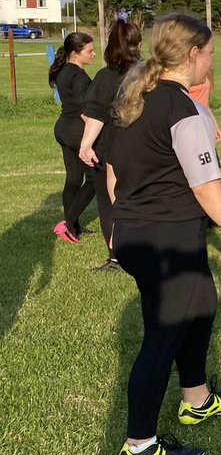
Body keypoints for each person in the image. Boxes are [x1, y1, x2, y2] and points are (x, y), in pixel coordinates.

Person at [107, 12, 221, 455]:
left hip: (141, 235)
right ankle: (139, 447)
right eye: (211, 53)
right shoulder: (182, 107)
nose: (212, 62)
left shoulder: (136, 95)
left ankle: (196, 399)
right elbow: (205, 187)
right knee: (162, 339)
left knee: (203, 305)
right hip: (167, 242)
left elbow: (114, 175)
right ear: (193, 55)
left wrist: (125, 223)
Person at [78, 20, 141, 272]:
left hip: (112, 148)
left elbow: (95, 114)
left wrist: (85, 144)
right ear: (137, 45)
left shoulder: (104, 77)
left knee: (109, 200)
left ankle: (117, 258)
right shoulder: (149, 74)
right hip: (145, 147)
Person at [49, 31, 96, 244]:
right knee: (96, 180)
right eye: (90, 51)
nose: (94, 54)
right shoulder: (79, 77)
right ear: (76, 53)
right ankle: (67, 223)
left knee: (74, 180)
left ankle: (73, 227)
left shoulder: (62, 70)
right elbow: (85, 112)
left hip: (63, 129)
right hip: (77, 131)